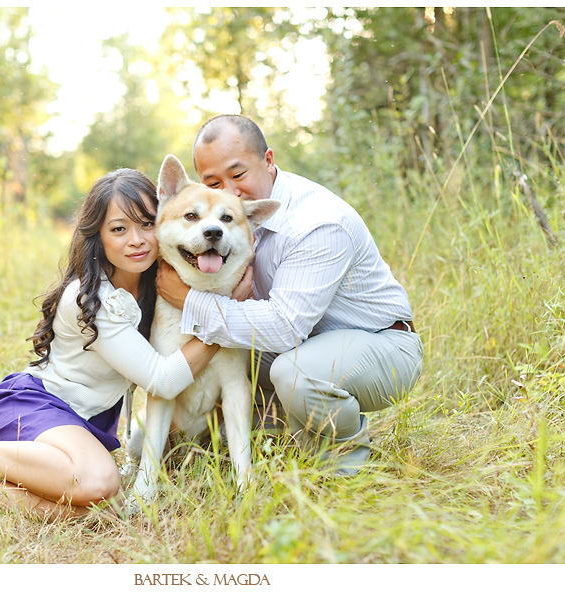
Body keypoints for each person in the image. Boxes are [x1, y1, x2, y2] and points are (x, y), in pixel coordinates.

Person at [0, 168, 220, 519]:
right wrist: (224, 325)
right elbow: (161, 379)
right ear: (98, 237)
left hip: (80, 427)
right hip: (34, 409)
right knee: (99, 483)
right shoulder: (90, 298)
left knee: (102, 511)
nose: (137, 240)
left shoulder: (160, 283)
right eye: (119, 229)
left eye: (147, 224)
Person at [156, 114, 423, 475]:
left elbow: (284, 329)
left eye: (238, 175)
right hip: (299, 347)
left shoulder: (316, 222)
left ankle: (345, 459)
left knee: (293, 373)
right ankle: (274, 435)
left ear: (268, 161)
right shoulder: (227, 221)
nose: (229, 191)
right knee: (234, 367)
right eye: (213, 181)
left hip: (380, 346)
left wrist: (189, 302)